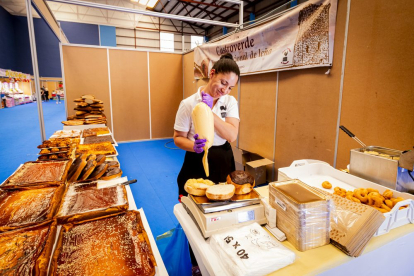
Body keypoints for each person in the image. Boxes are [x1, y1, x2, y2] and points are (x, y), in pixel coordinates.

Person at [174, 53, 240, 201]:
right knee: (192, 205)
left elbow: (231, 135)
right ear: (212, 74)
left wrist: (208, 111)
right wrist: (193, 146)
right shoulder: (188, 104)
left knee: (221, 202)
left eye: (230, 87)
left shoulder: (230, 102)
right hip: (196, 158)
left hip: (223, 158)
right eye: (223, 83)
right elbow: (178, 138)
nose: (225, 90)